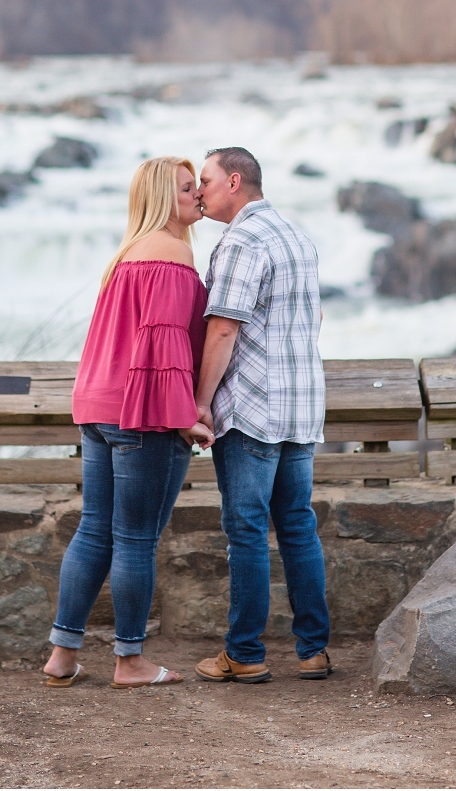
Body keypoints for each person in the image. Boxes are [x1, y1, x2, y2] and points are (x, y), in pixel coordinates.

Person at [43, 156, 213, 689]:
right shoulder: (173, 255)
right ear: (165, 199)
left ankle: (62, 656)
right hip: (140, 414)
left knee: (94, 529)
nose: (198, 197)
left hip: (98, 406)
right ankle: (130, 660)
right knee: (136, 538)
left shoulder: (125, 256)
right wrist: (185, 416)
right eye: (188, 190)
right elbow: (162, 346)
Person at [193, 147, 331, 684]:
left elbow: (224, 328)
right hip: (301, 404)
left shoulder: (242, 242)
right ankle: (313, 650)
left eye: (204, 180)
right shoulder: (297, 235)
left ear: (233, 181)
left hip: (253, 407)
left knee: (246, 530)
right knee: (298, 526)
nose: (199, 191)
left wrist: (202, 403)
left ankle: (245, 653)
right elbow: (312, 316)